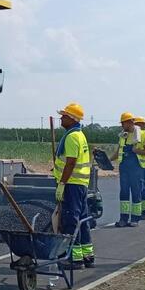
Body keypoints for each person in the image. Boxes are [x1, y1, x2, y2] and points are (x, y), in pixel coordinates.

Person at [53, 102, 95, 267]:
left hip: (72, 184)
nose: (61, 119)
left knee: (71, 219)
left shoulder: (71, 137)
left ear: (72, 119)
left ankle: (74, 258)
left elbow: (70, 163)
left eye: (64, 116)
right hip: (81, 184)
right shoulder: (80, 135)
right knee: (82, 219)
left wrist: (62, 183)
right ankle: (87, 256)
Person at [110, 111, 145, 227]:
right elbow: (118, 151)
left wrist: (137, 151)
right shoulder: (122, 136)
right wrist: (107, 160)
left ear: (131, 122)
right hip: (124, 166)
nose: (122, 126)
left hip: (136, 167)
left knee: (136, 192)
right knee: (124, 192)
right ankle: (123, 218)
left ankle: (135, 218)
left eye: (123, 123)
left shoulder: (141, 134)